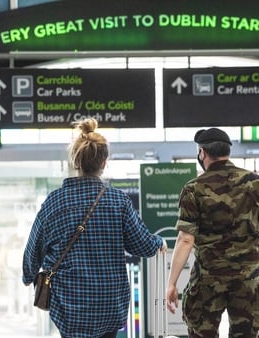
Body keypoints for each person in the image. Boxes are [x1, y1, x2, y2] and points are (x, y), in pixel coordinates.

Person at [22, 118, 166, 338]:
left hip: (70, 306)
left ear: (76, 161)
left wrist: (28, 276)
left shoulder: (54, 202)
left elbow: (33, 252)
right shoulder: (118, 202)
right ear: (104, 162)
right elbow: (143, 245)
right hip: (110, 305)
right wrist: (159, 243)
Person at [166, 127, 259, 337]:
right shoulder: (254, 182)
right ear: (228, 152)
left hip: (208, 279)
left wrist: (172, 283)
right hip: (246, 278)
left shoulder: (193, 189)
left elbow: (186, 239)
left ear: (202, 153)